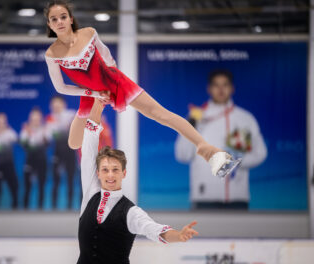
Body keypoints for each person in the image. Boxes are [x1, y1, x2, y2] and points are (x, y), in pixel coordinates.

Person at [43, 1, 238, 179]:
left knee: (160, 114)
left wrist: (113, 79)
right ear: (50, 25)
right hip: (91, 93)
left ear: (70, 19)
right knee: (74, 143)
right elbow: (60, 87)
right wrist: (94, 94)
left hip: (114, 82)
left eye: (63, 17)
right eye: (54, 19)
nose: (59, 21)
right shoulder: (51, 54)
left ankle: (209, 151)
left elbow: (107, 56)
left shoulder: (89, 33)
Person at [69, 98, 198, 264]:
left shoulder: (131, 212)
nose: (110, 175)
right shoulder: (90, 194)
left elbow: (155, 230)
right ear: (98, 173)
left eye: (115, 170)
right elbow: (89, 147)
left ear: (124, 173)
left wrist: (179, 236)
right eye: (105, 170)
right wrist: (98, 105)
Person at [175, 69, 267, 210]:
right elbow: (182, 155)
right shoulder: (196, 116)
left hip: (238, 198)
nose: (221, 89)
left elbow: (260, 153)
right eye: (216, 85)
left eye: (225, 85)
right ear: (209, 89)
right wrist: (190, 125)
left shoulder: (245, 119)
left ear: (232, 88)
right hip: (204, 198)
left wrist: (236, 161)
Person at [46, 96, 77, 209]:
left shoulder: (71, 114)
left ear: (63, 104)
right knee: (55, 180)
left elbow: (81, 120)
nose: (56, 106)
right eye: (53, 105)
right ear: (51, 106)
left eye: (58, 104)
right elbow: (48, 136)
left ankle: (70, 206)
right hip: (57, 152)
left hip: (70, 152)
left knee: (71, 179)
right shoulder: (50, 118)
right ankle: (54, 206)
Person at [20, 108, 50, 210]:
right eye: (33, 118)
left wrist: (44, 135)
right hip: (30, 161)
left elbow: (48, 143)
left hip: (42, 161)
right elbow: (23, 144)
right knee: (27, 186)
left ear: (40, 119)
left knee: (41, 186)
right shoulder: (26, 130)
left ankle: (40, 208)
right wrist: (28, 134)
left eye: (37, 118)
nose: (35, 120)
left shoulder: (45, 129)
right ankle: (25, 209)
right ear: (30, 119)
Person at [0, 113, 19, 209]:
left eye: (3, 121)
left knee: (15, 190)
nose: (1, 123)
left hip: (10, 166)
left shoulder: (10, 132)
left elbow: (16, 139)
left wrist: (6, 131)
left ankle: (16, 215)